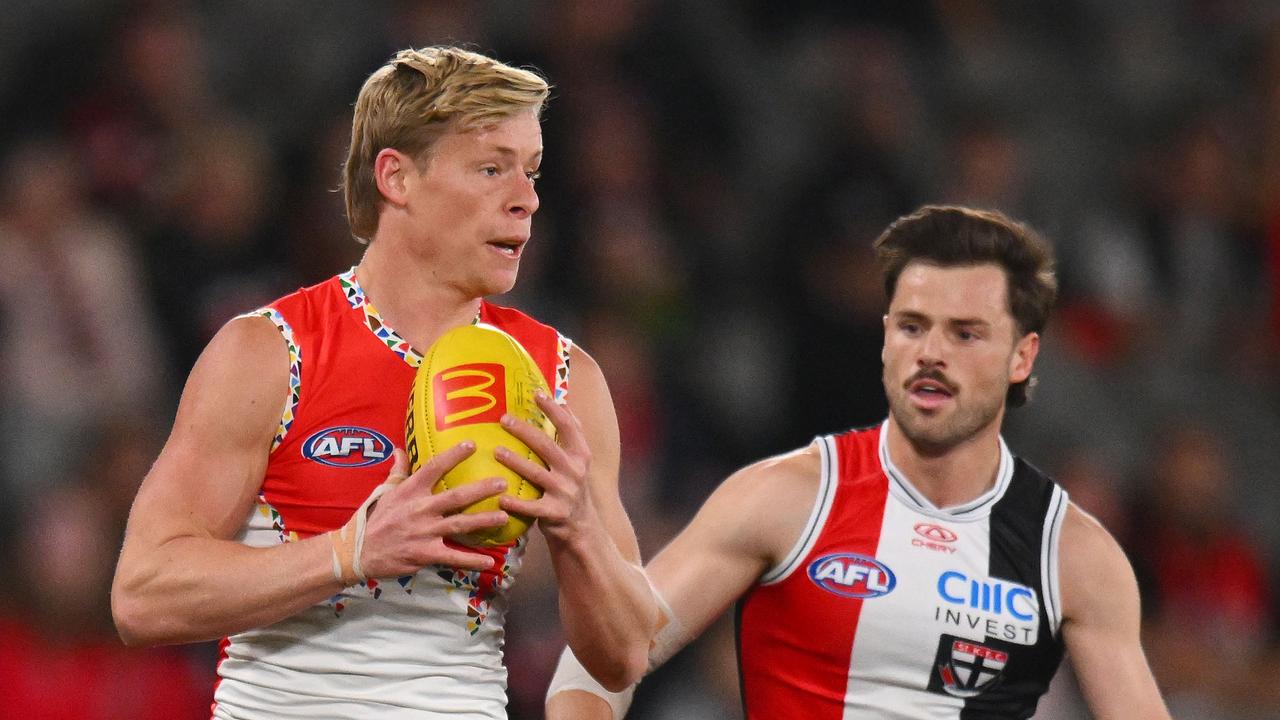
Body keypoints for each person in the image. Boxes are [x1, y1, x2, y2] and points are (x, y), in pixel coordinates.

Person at [111, 46, 654, 719]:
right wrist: (350, 553)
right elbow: (143, 593)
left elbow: (628, 653)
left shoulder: (563, 378)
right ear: (397, 178)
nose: (528, 200)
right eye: (493, 169)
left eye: (533, 172)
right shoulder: (271, 353)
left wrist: (579, 534)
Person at [547, 205, 1172, 719]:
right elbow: (601, 661)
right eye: (911, 327)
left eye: (965, 333)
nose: (930, 353)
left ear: (1022, 357)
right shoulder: (787, 499)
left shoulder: (1071, 556)